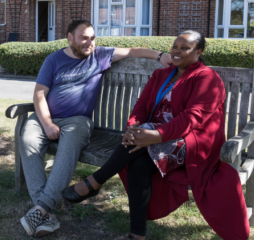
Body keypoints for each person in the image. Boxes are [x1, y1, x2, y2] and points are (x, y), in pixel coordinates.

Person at [61, 30, 250, 240]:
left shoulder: (206, 78)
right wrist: (133, 127)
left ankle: (94, 182)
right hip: (154, 135)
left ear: (198, 52)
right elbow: (141, 106)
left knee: (139, 145)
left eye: (184, 48)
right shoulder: (161, 74)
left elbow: (193, 118)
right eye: (175, 47)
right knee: (138, 163)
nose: (177, 52)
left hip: (191, 141)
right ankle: (137, 235)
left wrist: (156, 135)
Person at [19, 19, 172, 238]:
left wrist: (159, 55)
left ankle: (41, 209)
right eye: (84, 38)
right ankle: (47, 213)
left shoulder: (100, 55)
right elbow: (39, 94)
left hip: (77, 121)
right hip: (45, 118)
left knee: (68, 148)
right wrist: (47, 123)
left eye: (92, 38)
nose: (89, 43)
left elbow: (130, 51)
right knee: (27, 142)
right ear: (70, 37)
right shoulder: (53, 59)